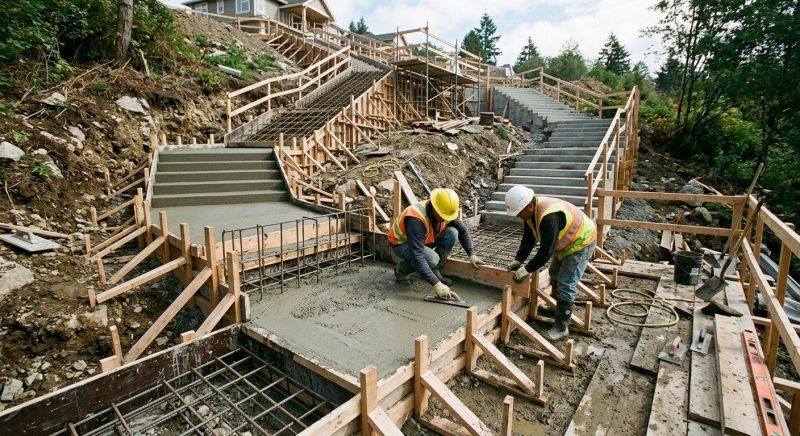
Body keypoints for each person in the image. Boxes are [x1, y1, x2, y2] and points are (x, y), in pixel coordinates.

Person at [504, 185, 596, 340]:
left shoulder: (549, 217)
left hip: (581, 242)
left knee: (566, 284)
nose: (518, 216)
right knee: (554, 275)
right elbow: (528, 239)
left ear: (530, 206)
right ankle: (556, 308)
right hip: (566, 243)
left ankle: (561, 328)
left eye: (519, 213)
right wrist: (518, 260)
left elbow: (546, 251)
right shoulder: (530, 214)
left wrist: (527, 269)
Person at [388, 188, 485, 300]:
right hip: (401, 243)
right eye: (443, 216)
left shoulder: (445, 210)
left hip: (423, 239)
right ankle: (401, 270)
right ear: (434, 208)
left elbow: (462, 230)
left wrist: (471, 254)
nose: (445, 219)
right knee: (432, 258)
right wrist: (437, 285)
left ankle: (434, 270)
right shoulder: (415, 218)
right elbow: (417, 255)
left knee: (453, 233)